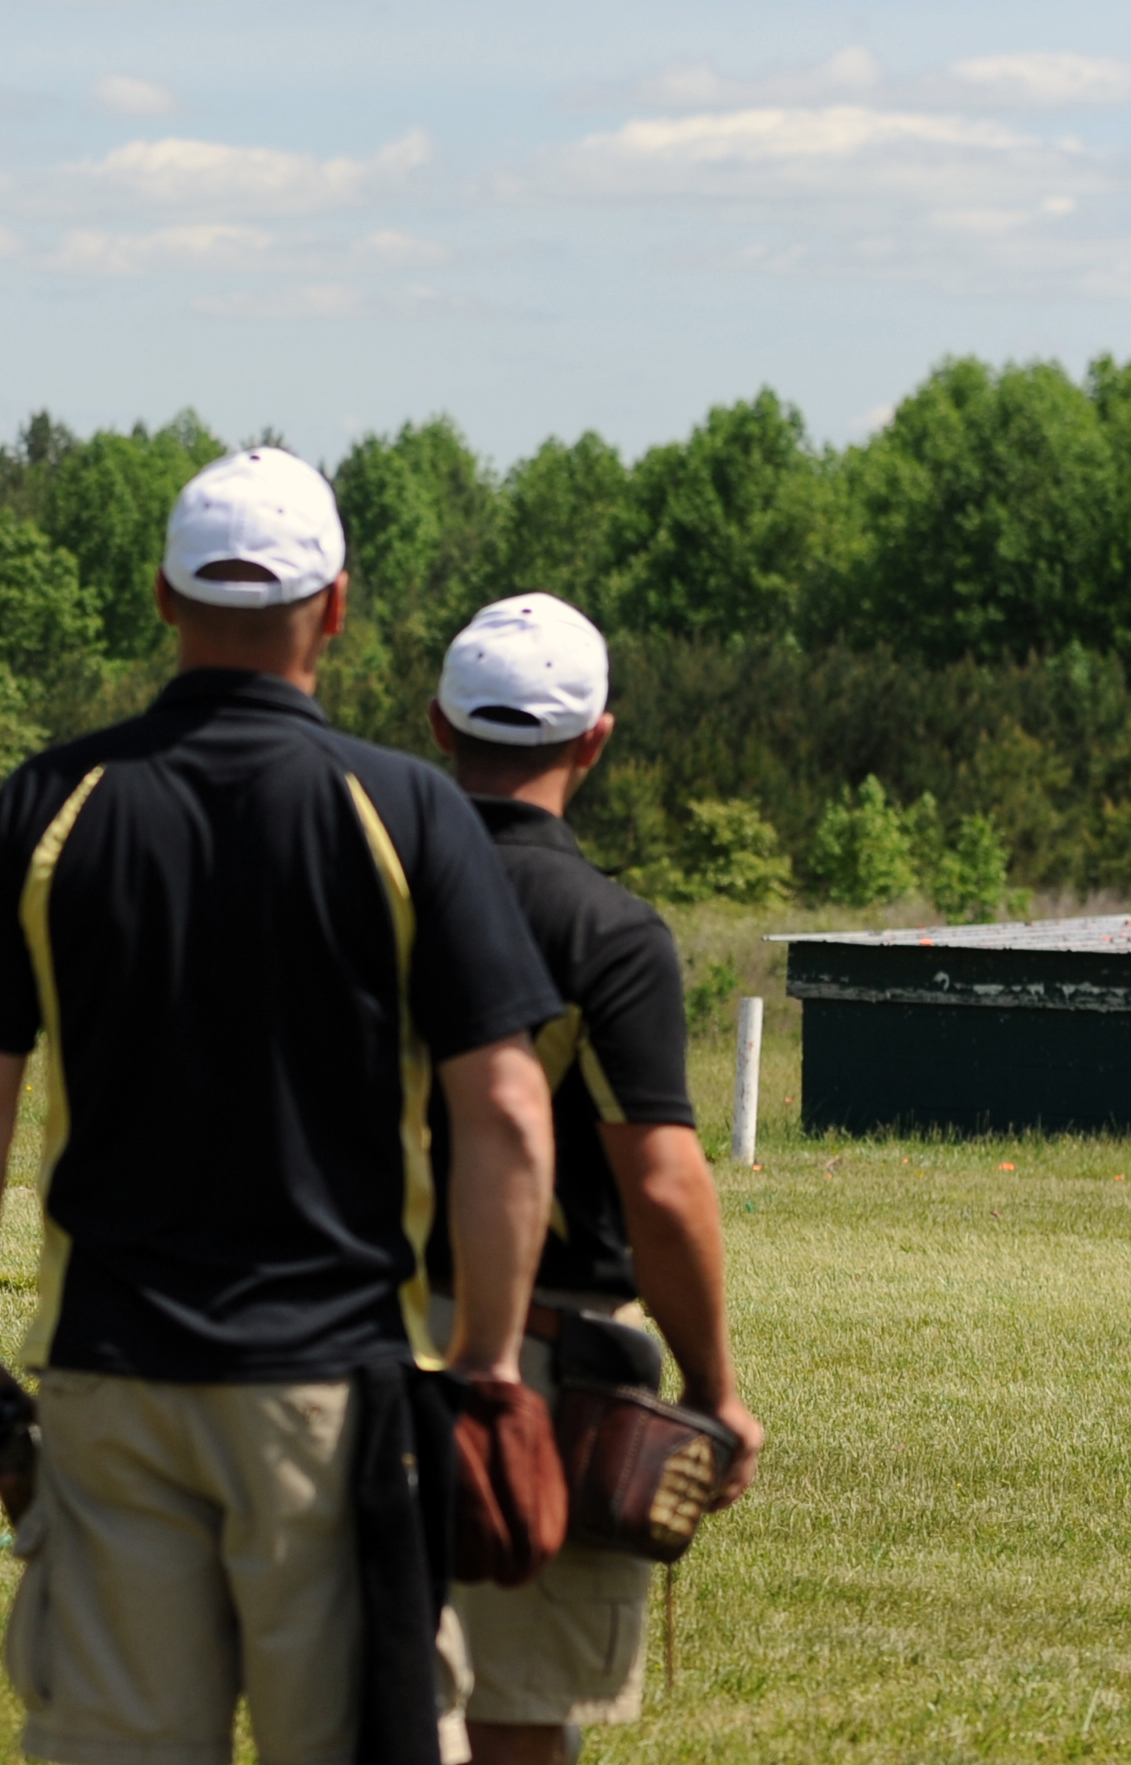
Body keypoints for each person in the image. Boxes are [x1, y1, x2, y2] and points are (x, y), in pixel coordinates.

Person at [0, 447, 564, 1765]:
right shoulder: (406, 809)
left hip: (109, 1380)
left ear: (161, 596)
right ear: (333, 608)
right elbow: (501, 1112)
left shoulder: (50, 803)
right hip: (331, 1391)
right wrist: (486, 1360)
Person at [422, 593, 766, 1765]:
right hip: (534, 1360)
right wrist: (716, 1387)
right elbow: (663, 1189)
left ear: (438, 726)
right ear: (594, 741)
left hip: (328, 1346)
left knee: (361, 1707)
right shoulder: (609, 931)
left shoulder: (349, 891)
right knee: (520, 1721)